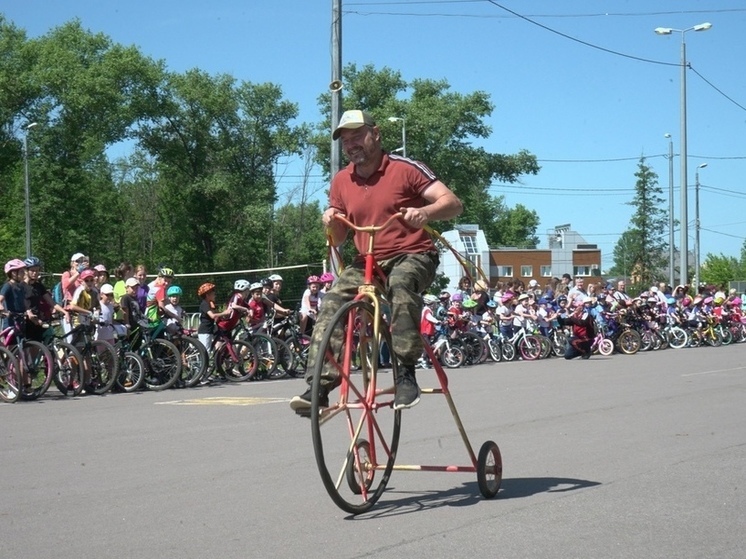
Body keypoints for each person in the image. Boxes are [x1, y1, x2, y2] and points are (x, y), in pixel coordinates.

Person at [290, 109, 463, 415]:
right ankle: (319, 387)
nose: (351, 145)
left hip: (413, 253)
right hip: (366, 260)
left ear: (376, 134)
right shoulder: (342, 180)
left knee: (400, 285)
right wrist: (331, 220)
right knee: (331, 303)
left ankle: (405, 374)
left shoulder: (405, 168)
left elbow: (452, 203)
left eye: (357, 136)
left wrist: (426, 212)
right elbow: (340, 236)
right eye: (345, 141)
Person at [22, 256, 69, 342]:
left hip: (38, 320)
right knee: (30, 349)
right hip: (26, 321)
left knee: (43, 345)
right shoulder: (21, 286)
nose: (35, 273)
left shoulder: (39, 286)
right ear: (26, 271)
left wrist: (64, 312)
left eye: (37, 270)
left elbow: (52, 302)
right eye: (32, 270)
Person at [196, 282, 232, 351]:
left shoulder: (210, 304)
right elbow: (212, 316)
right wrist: (224, 313)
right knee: (205, 352)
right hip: (205, 331)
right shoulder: (204, 304)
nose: (215, 295)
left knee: (210, 350)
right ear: (207, 295)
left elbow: (216, 315)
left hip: (211, 330)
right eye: (213, 293)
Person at [0, 259, 30, 332]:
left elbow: (24, 301)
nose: (24, 274)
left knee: (21, 341)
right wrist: (3, 310)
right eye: (21, 272)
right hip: (9, 322)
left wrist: (28, 311)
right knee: (12, 342)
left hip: (20, 319)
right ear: (13, 273)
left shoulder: (20, 286)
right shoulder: (8, 286)